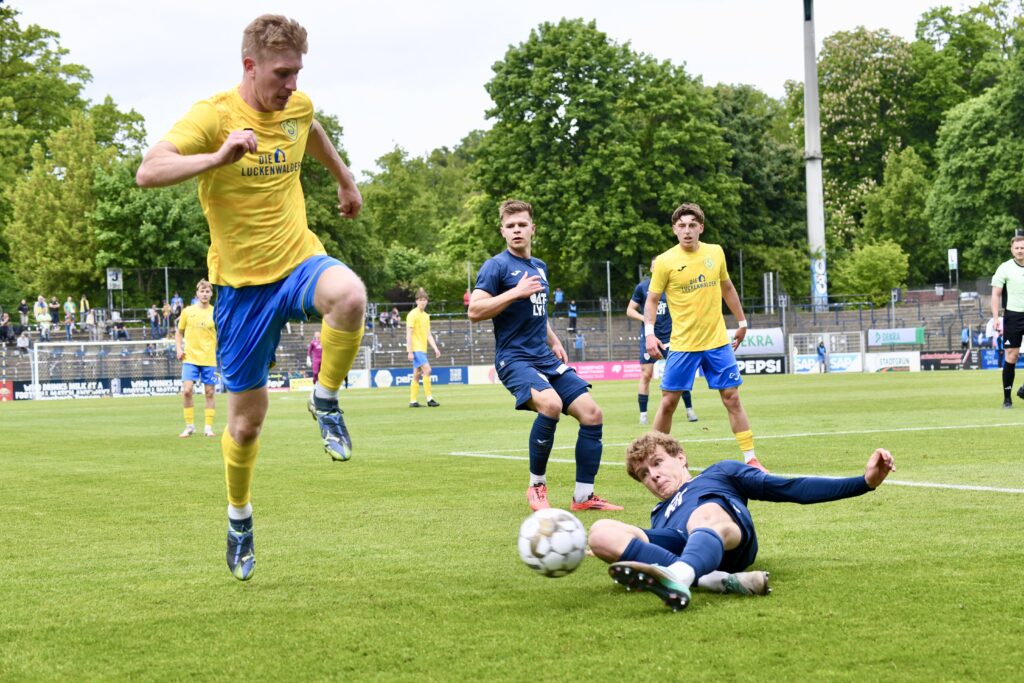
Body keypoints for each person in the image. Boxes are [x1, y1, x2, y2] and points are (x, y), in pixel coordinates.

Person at [136, 14, 367, 581]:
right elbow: (149, 170)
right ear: (250, 66)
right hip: (239, 290)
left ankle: (325, 399)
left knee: (350, 295)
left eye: (297, 72)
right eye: (281, 73)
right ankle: (239, 517)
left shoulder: (297, 106)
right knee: (245, 426)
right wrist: (217, 158)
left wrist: (344, 179)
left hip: (297, 262)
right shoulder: (213, 116)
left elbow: (310, 130)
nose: (292, 84)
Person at [589, 432, 896, 611]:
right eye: (644, 474)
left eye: (657, 463)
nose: (653, 475)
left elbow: (790, 488)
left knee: (703, 514)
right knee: (601, 532)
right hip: (684, 546)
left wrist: (864, 482)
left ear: (680, 457)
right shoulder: (659, 513)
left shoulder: (720, 472)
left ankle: (681, 575)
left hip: (728, 536)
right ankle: (710, 580)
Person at [469, 199, 622, 512]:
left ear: (532, 229)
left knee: (592, 414)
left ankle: (584, 497)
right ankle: (536, 486)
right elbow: (474, 310)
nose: (516, 230)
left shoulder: (539, 267)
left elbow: (537, 312)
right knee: (551, 405)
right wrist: (515, 292)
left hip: (544, 357)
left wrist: (553, 340)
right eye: (510, 226)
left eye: (522, 224)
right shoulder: (496, 266)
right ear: (502, 231)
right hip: (514, 358)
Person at [643, 202, 764, 471]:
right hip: (683, 344)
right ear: (674, 229)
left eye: (692, 225)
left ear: (701, 228)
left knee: (732, 397)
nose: (687, 230)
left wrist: (742, 322)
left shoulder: (715, 252)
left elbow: (727, 287)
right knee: (668, 402)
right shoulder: (664, 261)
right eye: (682, 226)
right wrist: (649, 333)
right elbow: (651, 300)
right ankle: (654, 459)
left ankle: (751, 458)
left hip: (717, 342)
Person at [627, 259, 696, 425]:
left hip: (671, 337)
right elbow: (630, 310)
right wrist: (645, 319)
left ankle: (689, 410)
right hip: (649, 337)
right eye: (655, 266)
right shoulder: (642, 287)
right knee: (646, 375)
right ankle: (643, 415)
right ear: (651, 269)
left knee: (679, 373)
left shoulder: (673, 285)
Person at [176, 280, 218, 438]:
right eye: (202, 291)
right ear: (197, 293)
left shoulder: (216, 312)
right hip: (190, 357)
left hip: (209, 358)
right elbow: (179, 332)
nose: (204, 294)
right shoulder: (187, 311)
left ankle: (208, 427)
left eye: (207, 291)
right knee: (187, 391)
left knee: (209, 392)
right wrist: (179, 348)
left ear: (211, 294)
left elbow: (223, 334)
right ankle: (189, 426)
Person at [991, 235, 1024, 408]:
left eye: (1022, 247)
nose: (1020, 250)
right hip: (1013, 316)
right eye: (1017, 248)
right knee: (1012, 355)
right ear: (1012, 250)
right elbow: (996, 294)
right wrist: (996, 317)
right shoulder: (1004, 268)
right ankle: (1007, 398)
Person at [406, 288, 441, 407]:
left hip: (422, 348)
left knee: (416, 374)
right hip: (416, 349)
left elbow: (428, 334)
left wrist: (435, 348)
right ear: (416, 301)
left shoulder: (426, 316)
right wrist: (410, 351)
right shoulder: (412, 314)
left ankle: (413, 401)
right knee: (427, 370)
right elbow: (409, 334)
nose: (423, 302)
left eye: (425, 300)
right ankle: (429, 399)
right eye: (420, 300)